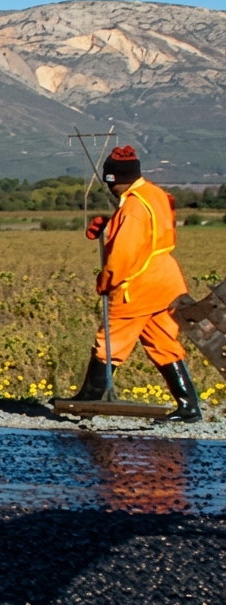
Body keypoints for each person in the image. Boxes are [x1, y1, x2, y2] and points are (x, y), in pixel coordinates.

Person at [64, 146, 200, 423]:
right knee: (163, 342)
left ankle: (88, 402)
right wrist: (110, 225)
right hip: (167, 282)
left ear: (118, 179)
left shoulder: (133, 207)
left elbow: (124, 254)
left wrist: (106, 280)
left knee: (110, 342)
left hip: (139, 285)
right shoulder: (154, 194)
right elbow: (148, 233)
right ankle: (189, 407)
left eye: (110, 182)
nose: (109, 188)